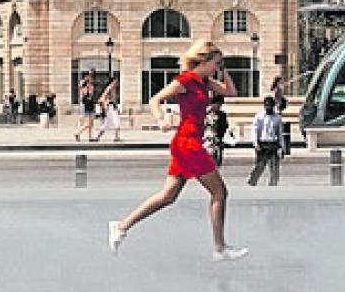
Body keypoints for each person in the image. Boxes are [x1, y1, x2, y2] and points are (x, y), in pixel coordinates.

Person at [109, 41, 247, 261]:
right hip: (188, 143)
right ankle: (220, 248)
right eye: (216, 63)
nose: (217, 68)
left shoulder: (205, 82)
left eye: (220, 64)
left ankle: (121, 226)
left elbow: (231, 91)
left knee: (168, 196)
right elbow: (156, 99)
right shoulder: (185, 81)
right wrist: (161, 118)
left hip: (189, 142)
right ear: (203, 61)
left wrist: (224, 69)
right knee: (220, 193)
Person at [248, 96, 284, 187]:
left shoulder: (277, 118)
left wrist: (281, 146)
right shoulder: (259, 117)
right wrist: (256, 144)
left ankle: (273, 184)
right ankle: (252, 182)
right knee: (260, 165)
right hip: (262, 143)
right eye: (267, 105)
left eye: (270, 106)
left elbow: (280, 132)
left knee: (274, 167)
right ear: (264, 106)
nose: (269, 108)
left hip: (273, 144)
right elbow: (255, 130)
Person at [97, 75, 123, 142]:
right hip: (110, 108)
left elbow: (113, 100)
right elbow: (102, 98)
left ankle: (98, 137)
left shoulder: (113, 89)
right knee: (116, 122)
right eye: (116, 81)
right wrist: (105, 106)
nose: (117, 83)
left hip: (111, 107)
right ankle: (116, 137)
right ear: (113, 81)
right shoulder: (110, 88)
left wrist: (117, 108)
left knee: (106, 124)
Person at [205, 99, 231, 165]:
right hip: (205, 141)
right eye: (217, 104)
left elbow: (224, 127)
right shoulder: (205, 114)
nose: (219, 106)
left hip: (216, 142)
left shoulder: (222, 115)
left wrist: (220, 137)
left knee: (216, 163)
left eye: (220, 105)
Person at [75, 73, 97, 141]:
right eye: (90, 81)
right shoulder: (85, 89)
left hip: (90, 106)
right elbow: (85, 98)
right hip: (88, 107)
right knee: (88, 124)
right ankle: (78, 133)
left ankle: (89, 137)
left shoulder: (86, 88)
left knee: (91, 124)